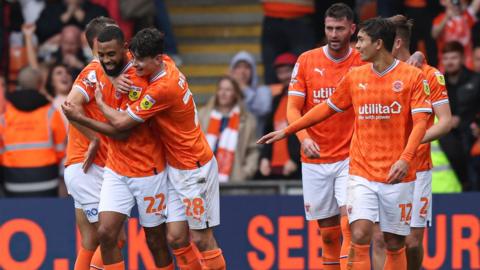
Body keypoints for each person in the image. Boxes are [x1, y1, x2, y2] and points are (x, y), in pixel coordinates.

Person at [258, 17, 432, 270]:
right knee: (359, 234)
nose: (357, 46)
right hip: (361, 171)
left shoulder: (412, 78)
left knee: (394, 241)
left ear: (378, 44)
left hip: (397, 173)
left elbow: (420, 124)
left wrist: (405, 159)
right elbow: (326, 108)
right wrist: (290, 130)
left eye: (361, 40)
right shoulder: (355, 76)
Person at [67, 27, 226, 269]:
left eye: (140, 61)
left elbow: (122, 126)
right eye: (103, 54)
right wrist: (110, 78)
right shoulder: (156, 63)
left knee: (196, 239)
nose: (136, 65)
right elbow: (111, 65)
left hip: (192, 167)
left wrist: (98, 105)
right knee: (165, 237)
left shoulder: (159, 88)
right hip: (159, 164)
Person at [372, 15, 452, 270]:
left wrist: (413, 141)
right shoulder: (377, 73)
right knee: (380, 239)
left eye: (381, 41)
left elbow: (445, 121)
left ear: (395, 43)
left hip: (417, 169)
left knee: (412, 242)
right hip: (379, 167)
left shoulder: (429, 74)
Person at [287, 4, 364, 269]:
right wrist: (304, 138)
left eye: (340, 29)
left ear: (352, 29)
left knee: (350, 223)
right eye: (329, 28)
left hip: (350, 156)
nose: (333, 34)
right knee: (328, 234)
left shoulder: (362, 61)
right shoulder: (307, 60)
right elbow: (292, 109)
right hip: (315, 158)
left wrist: (419, 56)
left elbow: (395, 61)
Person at [0, 66, 67, 197]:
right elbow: (61, 150)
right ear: (40, 84)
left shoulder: (5, 113)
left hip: (13, 183)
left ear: (18, 84)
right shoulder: (51, 112)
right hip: (47, 181)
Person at [199, 76, 259, 182]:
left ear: (235, 93)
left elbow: (253, 150)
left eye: (228, 90)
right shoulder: (202, 115)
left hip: (235, 180)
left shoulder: (248, 120)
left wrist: (245, 172)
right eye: (220, 89)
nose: (223, 93)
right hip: (204, 179)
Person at [440, 41, 480, 191]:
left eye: (454, 58)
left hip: (472, 138)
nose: (449, 62)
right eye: (446, 58)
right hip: (447, 140)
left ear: (463, 58)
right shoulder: (438, 83)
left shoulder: (476, 80)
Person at [260, 52, 301, 180]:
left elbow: (307, 131)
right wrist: (265, 158)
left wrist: (295, 160)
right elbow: (269, 131)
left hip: (295, 169)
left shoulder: (305, 99)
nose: (284, 76)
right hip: (273, 169)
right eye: (280, 72)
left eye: (287, 71)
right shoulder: (276, 99)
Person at [260, 0, 315, 84]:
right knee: (271, 70)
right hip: (272, 18)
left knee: (302, 68)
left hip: (301, 18)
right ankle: (275, 96)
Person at [229, 51, 272, 137]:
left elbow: (263, 109)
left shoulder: (263, 91)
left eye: (247, 67)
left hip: (254, 145)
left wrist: (244, 88)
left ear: (253, 71)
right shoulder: (227, 92)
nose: (242, 71)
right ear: (232, 71)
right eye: (238, 67)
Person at [431, 0, 480, 70]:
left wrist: (463, 4)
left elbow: (477, 2)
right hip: (446, 63)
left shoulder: (467, 16)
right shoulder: (440, 19)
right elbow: (434, 34)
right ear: (443, 2)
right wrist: (447, 17)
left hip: (466, 64)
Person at [35, 0, 108, 44]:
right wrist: (62, 20)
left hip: (89, 52)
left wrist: (84, 19)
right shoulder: (51, 9)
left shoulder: (97, 9)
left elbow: (105, 32)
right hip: (55, 51)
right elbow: (40, 31)